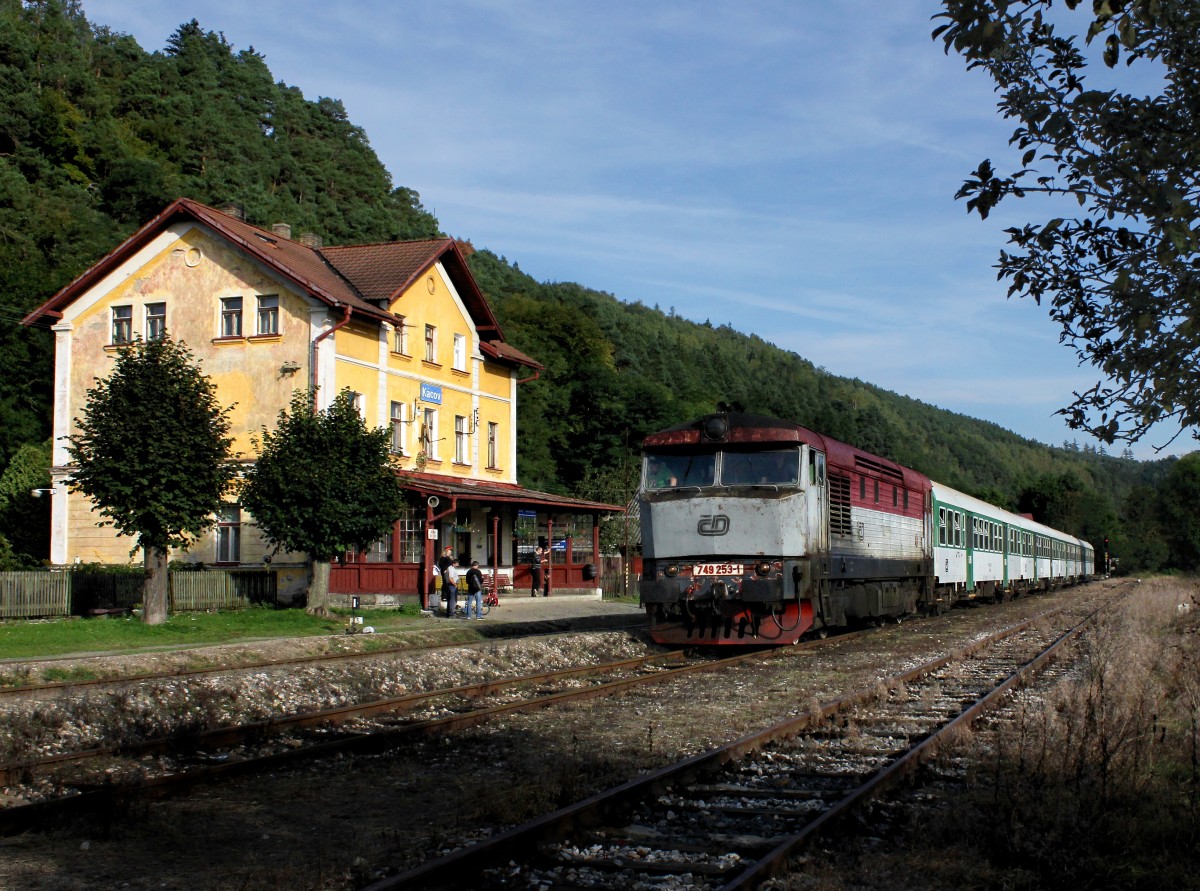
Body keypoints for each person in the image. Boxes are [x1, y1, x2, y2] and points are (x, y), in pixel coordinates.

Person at [437, 545, 458, 617]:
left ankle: (451, 609)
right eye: (449, 550)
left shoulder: (449, 558)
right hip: (447, 574)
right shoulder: (443, 558)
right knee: (446, 583)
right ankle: (445, 595)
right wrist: (445, 569)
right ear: (446, 551)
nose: (450, 552)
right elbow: (441, 565)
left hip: (450, 574)